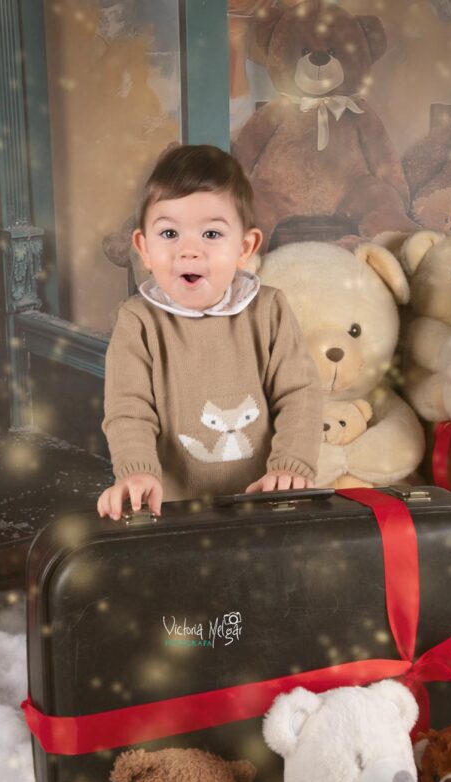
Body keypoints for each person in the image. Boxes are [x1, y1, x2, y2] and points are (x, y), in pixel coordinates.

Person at [97, 143, 322, 519]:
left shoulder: (269, 309)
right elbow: (129, 411)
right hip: (174, 510)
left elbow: (300, 394)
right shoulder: (137, 321)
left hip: (266, 503)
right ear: (144, 248)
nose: (189, 251)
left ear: (245, 247)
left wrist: (291, 465)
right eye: (169, 233)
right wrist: (136, 471)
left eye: (212, 234)